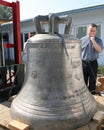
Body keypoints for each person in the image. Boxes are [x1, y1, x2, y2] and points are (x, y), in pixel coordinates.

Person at [80, 23, 103, 94]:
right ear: (87, 30)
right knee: (83, 80)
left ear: (96, 31)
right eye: (90, 30)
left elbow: (99, 50)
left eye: (94, 31)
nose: (92, 32)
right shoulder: (82, 40)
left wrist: (93, 40)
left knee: (93, 80)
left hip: (93, 62)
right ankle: (84, 94)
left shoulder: (98, 40)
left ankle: (92, 94)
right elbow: (79, 51)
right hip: (83, 63)